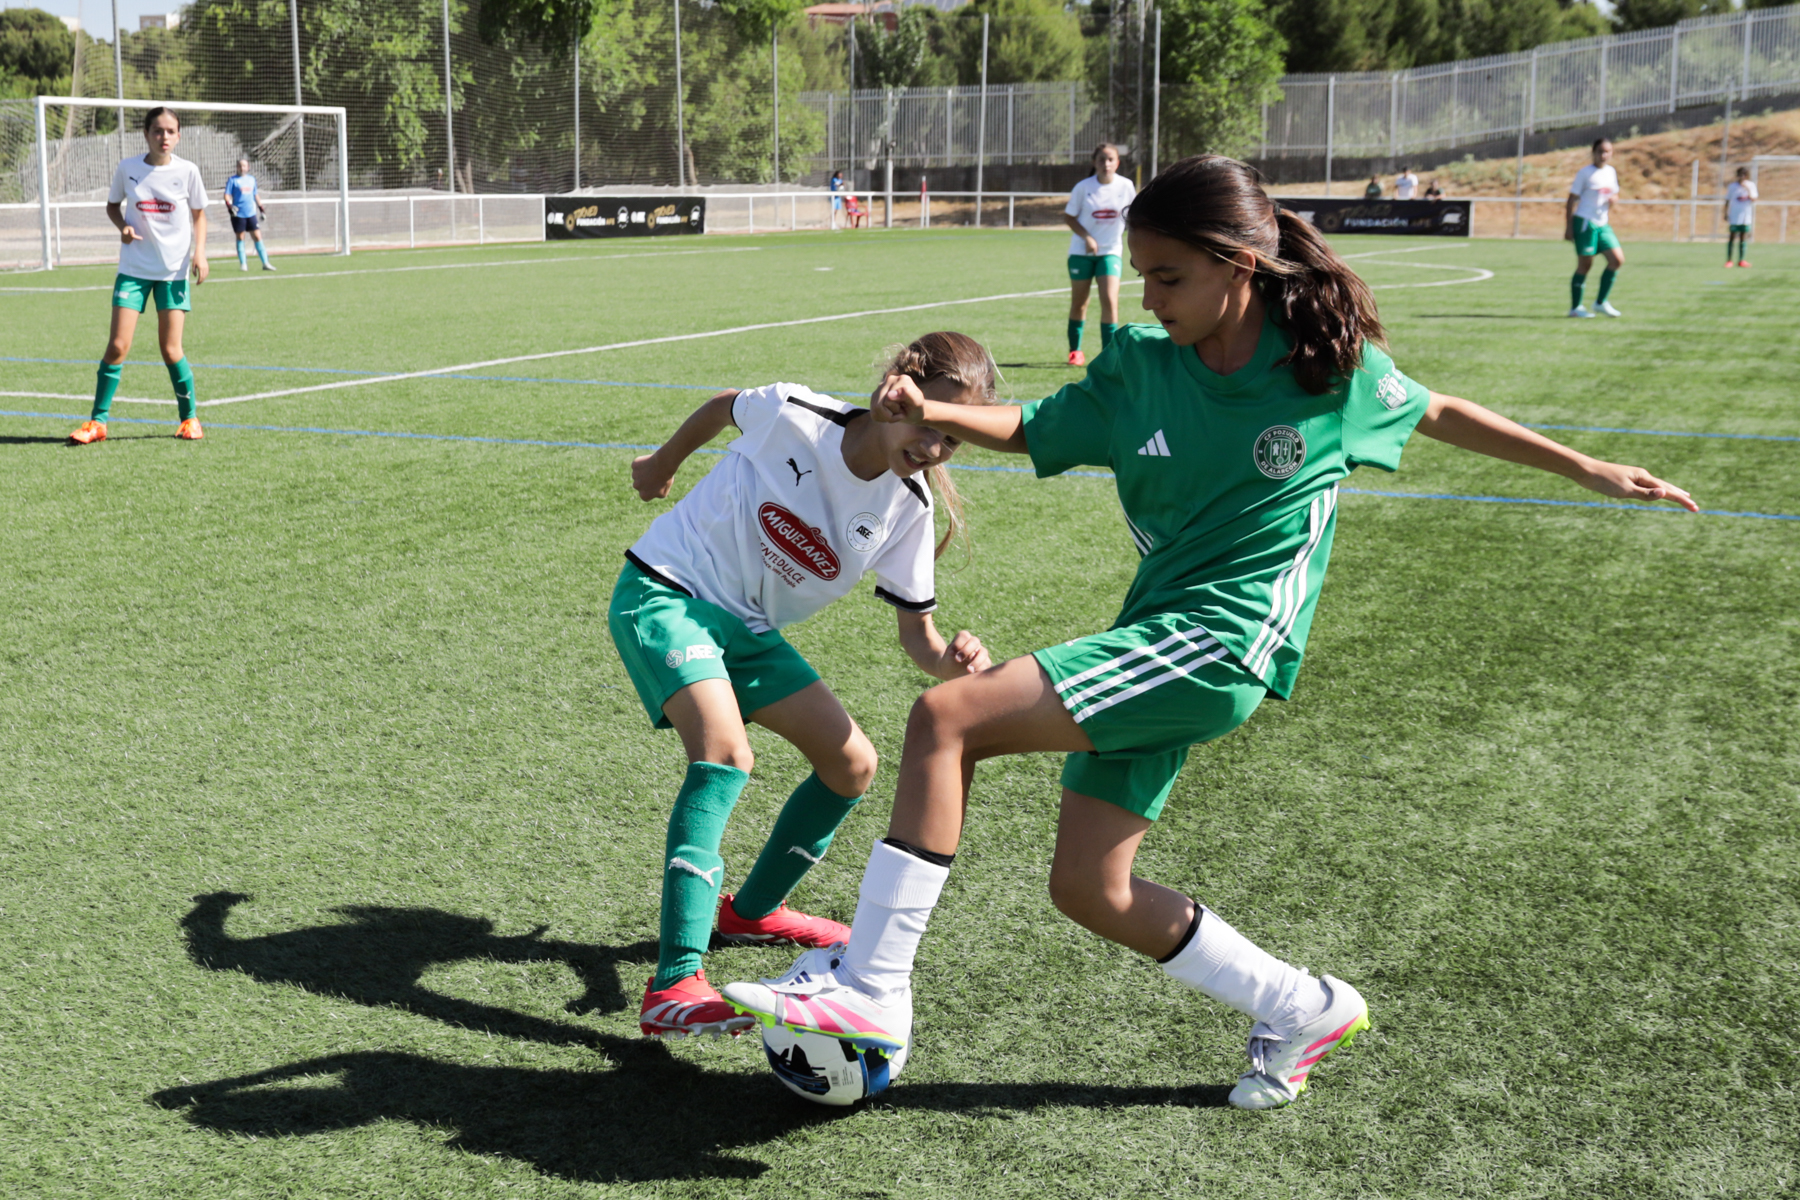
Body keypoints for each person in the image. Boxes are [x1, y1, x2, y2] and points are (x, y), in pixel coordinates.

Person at [724, 155, 1696, 1111]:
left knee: (947, 718)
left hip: (1225, 641)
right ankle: (1301, 1007)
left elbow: (1437, 410)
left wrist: (1588, 468)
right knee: (1091, 889)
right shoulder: (1141, 370)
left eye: (1168, 276)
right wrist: (927, 408)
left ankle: (872, 989)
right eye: (1141, 275)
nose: (1148, 298)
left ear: (1239, 265)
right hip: (1160, 633)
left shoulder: (1329, 378)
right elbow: (1035, 428)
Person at [612, 332, 996, 1038]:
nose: (934, 447)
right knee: (725, 754)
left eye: (952, 439)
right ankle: (673, 984)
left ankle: (750, 913)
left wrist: (954, 661)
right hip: (666, 590)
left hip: (748, 633)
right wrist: (663, 462)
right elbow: (723, 407)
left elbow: (919, 638)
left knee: (853, 765)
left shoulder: (908, 510)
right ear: (897, 388)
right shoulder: (796, 413)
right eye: (927, 423)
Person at [69, 106, 209, 446]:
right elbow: (112, 206)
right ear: (146, 134)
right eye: (157, 131)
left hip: (173, 272)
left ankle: (190, 419)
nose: (164, 137)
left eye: (170, 131)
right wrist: (123, 227)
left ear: (179, 135)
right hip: (133, 270)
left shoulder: (188, 171)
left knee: (171, 349)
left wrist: (200, 252)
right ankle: (97, 423)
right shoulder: (128, 168)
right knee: (118, 345)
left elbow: (199, 215)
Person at [1062, 143, 1137, 368]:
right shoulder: (1083, 187)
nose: (1106, 164)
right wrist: (1087, 237)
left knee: (1110, 301)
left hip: (1110, 252)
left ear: (1118, 163)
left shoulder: (1126, 186)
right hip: (1081, 253)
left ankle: (1108, 354)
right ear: (1094, 162)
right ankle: (1075, 351)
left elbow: (1135, 216)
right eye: (1102, 159)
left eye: (1110, 159)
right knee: (1080, 303)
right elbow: (1069, 217)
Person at [1566, 138, 1623, 318]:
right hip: (1585, 222)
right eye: (1600, 151)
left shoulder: (1611, 172)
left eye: (1607, 151)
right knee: (1585, 265)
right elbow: (1571, 200)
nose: (1604, 155)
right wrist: (1568, 227)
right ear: (1593, 153)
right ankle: (1575, 308)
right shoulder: (1585, 173)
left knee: (1617, 260)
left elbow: (1614, 194)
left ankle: (1600, 302)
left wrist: (1614, 199)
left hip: (1602, 224)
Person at [223, 158, 274, 272]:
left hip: (251, 214)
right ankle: (243, 264)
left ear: (248, 167)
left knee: (257, 237)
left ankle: (265, 263)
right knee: (240, 237)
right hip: (238, 214)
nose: (242, 168)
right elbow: (227, 195)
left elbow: (255, 195)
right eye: (240, 166)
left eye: (244, 166)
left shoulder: (252, 179)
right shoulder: (232, 180)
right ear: (237, 167)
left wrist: (261, 209)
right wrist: (229, 206)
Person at [1723, 166, 1757, 269]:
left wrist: (1747, 188)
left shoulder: (1751, 185)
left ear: (1746, 176)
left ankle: (1741, 260)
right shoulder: (1732, 186)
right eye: (1740, 175)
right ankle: (1729, 260)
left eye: (1744, 175)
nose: (1741, 177)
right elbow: (1727, 200)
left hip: (1746, 216)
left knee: (1743, 237)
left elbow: (1754, 199)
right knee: (1732, 237)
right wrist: (1725, 212)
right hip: (1734, 215)